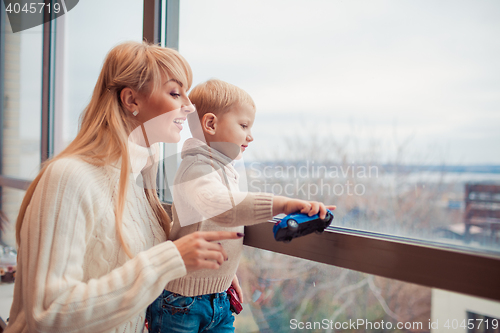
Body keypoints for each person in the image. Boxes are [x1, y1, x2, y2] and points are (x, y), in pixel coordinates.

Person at [4, 42, 242, 333]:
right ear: (131, 100)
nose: (189, 106)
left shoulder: (140, 180)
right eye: (175, 92)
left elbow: (139, 271)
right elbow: (48, 313)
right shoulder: (69, 177)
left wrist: (212, 272)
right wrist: (171, 258)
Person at [146, 79, 336, 333]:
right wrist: (283, 204)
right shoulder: (195, 170)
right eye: (244, 125)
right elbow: (222, 207)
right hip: (182, 302)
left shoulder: (223, 169)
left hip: (219, 296)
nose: (251, 135)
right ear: (211, 124)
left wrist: (223, 276)